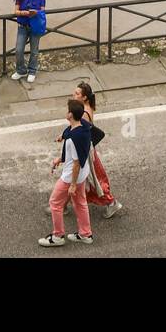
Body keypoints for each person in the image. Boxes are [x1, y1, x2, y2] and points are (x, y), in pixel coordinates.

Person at [39, 99, 93, 247]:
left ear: (70, 114)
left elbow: (75, 164)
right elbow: (69, 133)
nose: (66, 111)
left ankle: (57, 236)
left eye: (67, 110)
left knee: (55, 203)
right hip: (83, 172)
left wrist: (73, 184)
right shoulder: (84, 127)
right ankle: (85, 234)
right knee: (80, 203)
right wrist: (61, 158)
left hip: (71, 176)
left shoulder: (72, 140)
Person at [73, 80, 122, 219]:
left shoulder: (84, 112)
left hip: (85, 151)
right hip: (85, 149)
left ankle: (111, 202)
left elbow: (81, 134)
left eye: (77, 93)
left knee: (94, 179)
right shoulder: (86, 107)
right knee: (76, 178)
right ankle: (60, 204)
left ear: (84, 97)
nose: (73, 95)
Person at [12, 0, 46, 83]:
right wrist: (25, 13)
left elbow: (42, 11)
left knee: (34, 50)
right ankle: (21, 70)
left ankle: (32, 71)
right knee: (19, 49)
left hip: (34, 26)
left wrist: (36, 12)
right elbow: (15, 11)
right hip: (22, 26)